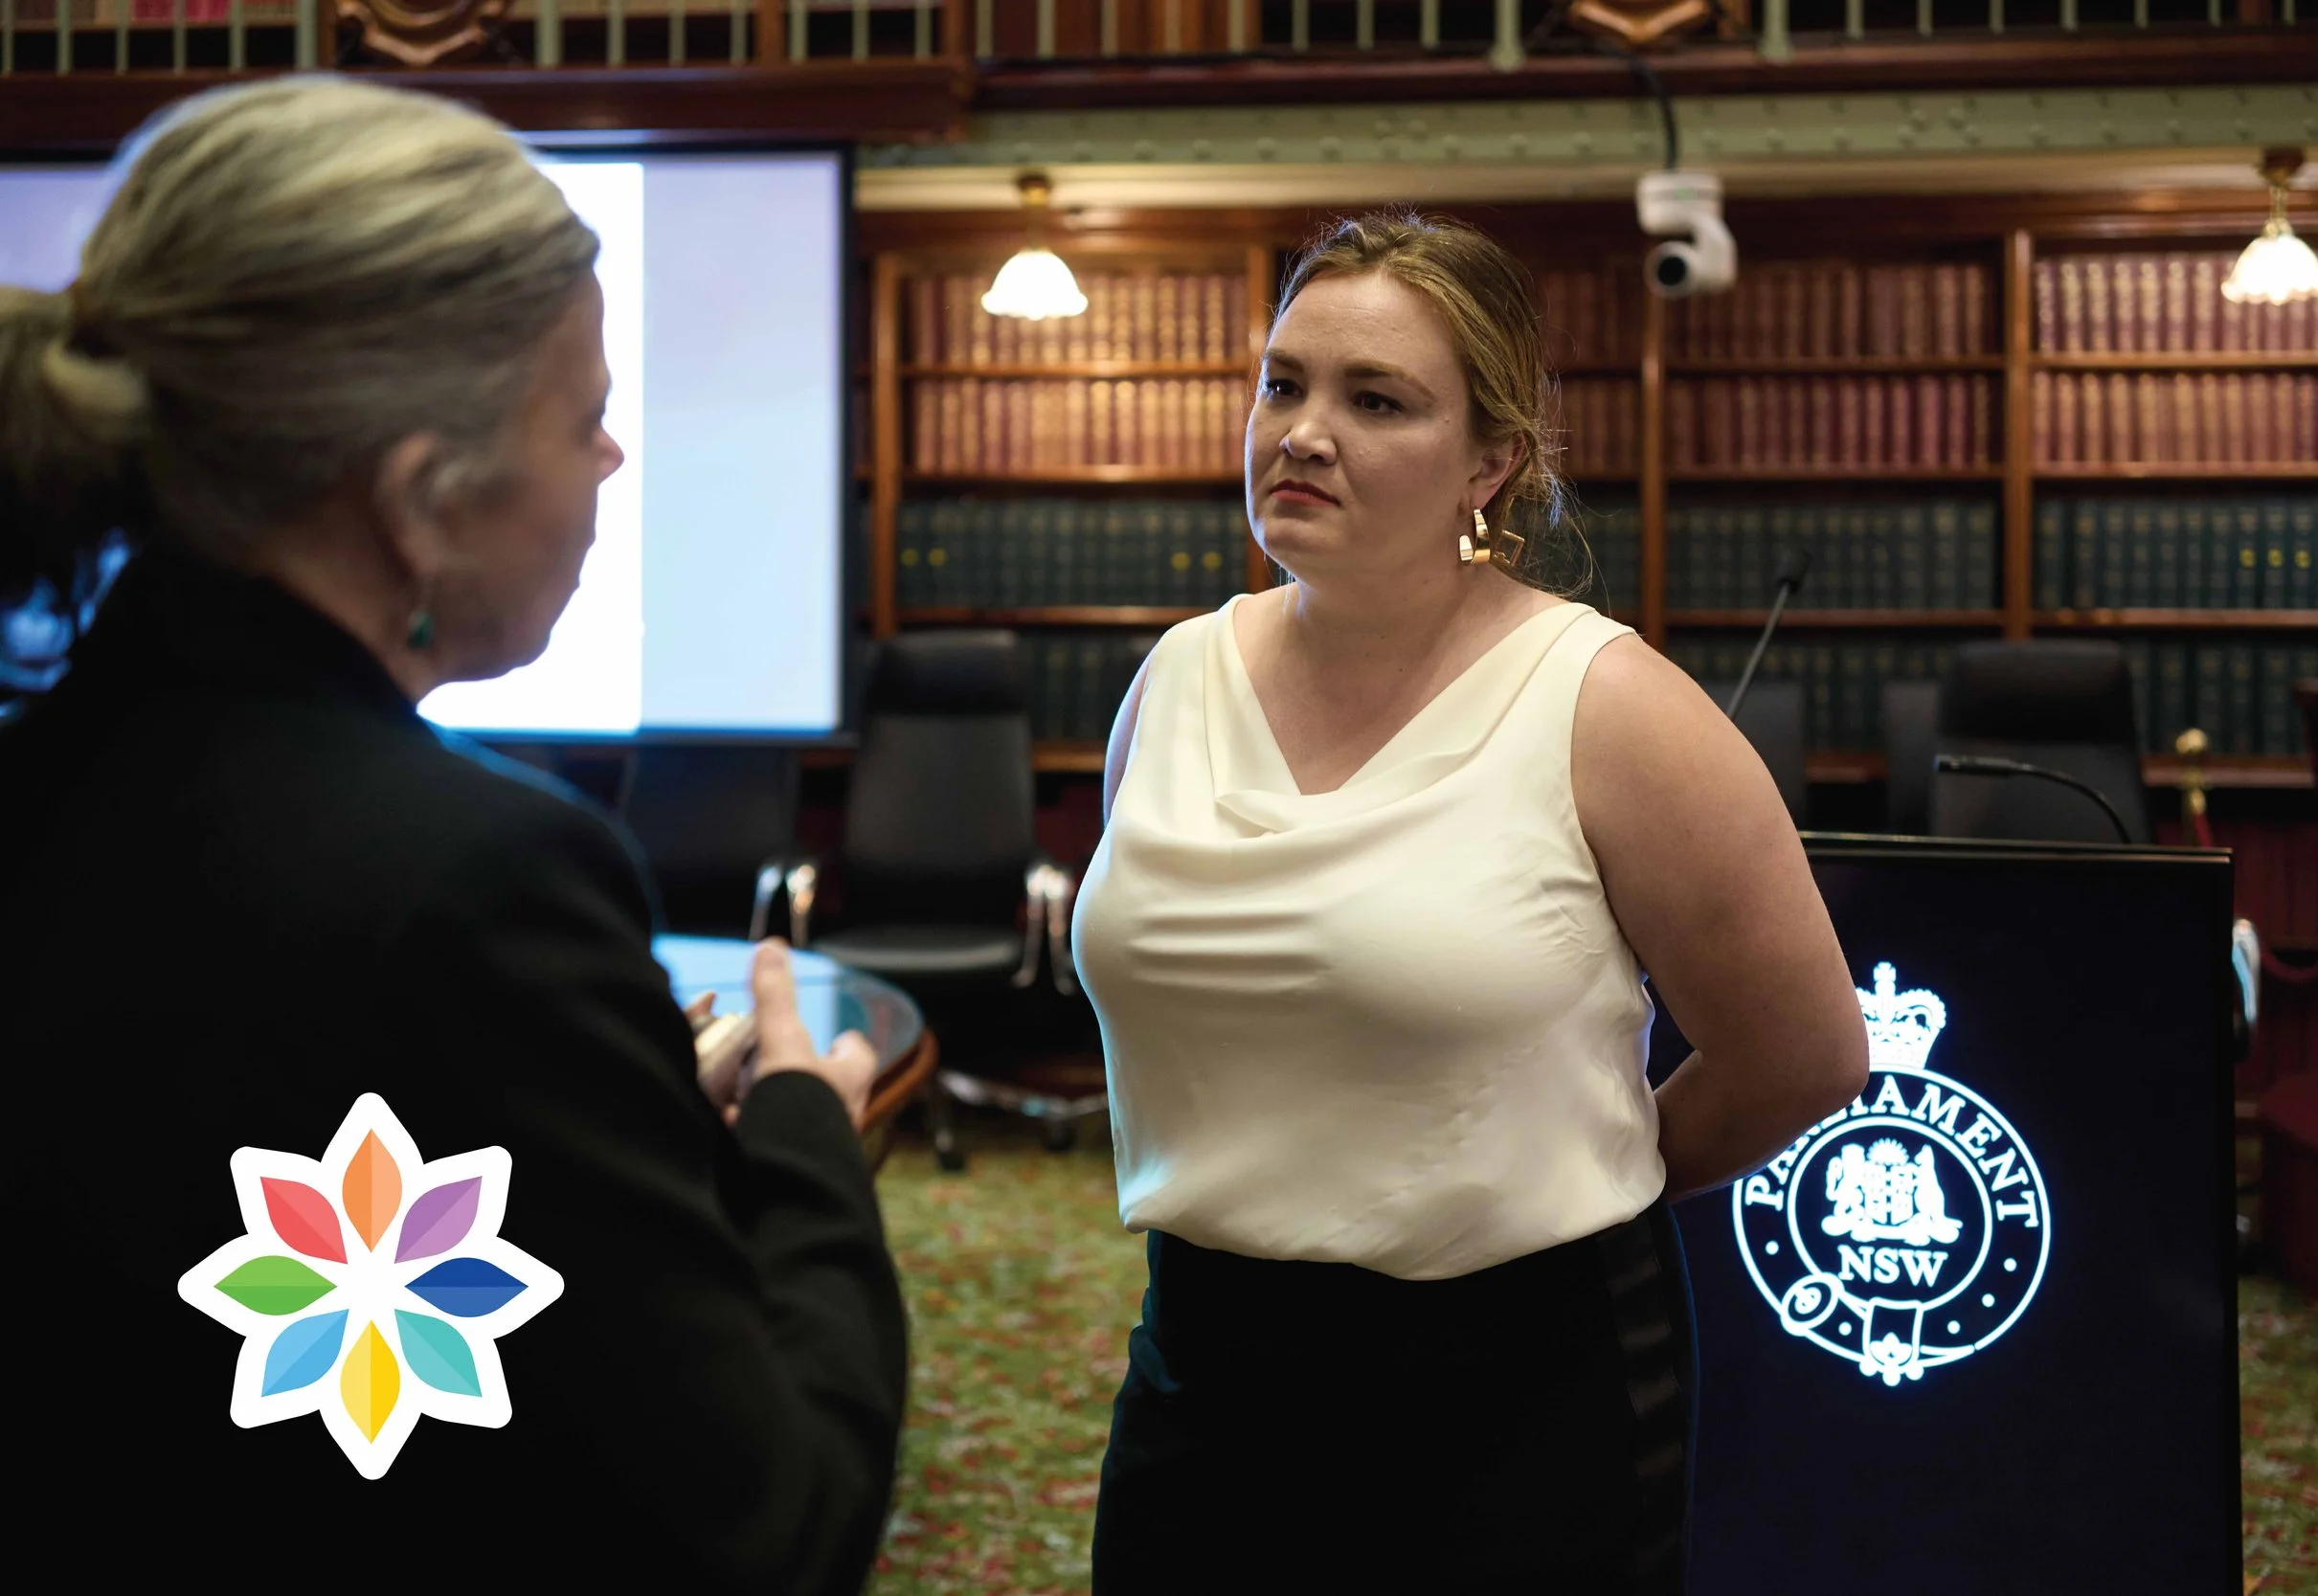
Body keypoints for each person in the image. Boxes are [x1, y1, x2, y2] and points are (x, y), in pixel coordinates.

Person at [0, 80, 904, 1592]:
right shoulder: (480, 881)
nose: (614, 464)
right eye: (590, 417)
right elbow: (764, 1532)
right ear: (420, 499)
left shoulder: (59, 776)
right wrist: (807, 1129)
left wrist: (588, 1111)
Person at [1072, 213, 1872, 1593]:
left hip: (1518, 1388)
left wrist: (1574, 1169)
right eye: (1283, 382)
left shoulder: (1612, 708)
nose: (1303, 432)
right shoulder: (1174, 677)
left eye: (1374, 399)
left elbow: (1802, 1054)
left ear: (1491, 460)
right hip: (1204, 1362)